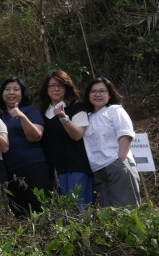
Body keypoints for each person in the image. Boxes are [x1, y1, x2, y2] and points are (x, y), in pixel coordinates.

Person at [37, 70, 94, 208]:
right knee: (62, 217)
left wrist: (63, 117)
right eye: (52, 85)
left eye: (61, 85)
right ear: (46, 89)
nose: (56, 89)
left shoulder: (76, 107)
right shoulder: (42, 113)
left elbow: (77, 135)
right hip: (54, 173)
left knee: (81, 213)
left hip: (75, 169)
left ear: (67, 88)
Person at [82, 77, 141, 207]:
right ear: (88, 95)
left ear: (110, 94)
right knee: (109, 215)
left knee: (128, 210)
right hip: (98, 171)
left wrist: (120, 160)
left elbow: (125, 134)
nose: (97, 94)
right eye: (93, 91)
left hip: (116, 166)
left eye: (102, 91)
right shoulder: (87, 117)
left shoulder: (114, 110)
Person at [0, 77, 51, 215]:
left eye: (16, 89)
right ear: (2, 94)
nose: (11, 92)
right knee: (20, 211)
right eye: (7, 89)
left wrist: (22, 117)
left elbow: (36, 136)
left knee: (41, 208)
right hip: (10, 171)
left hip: (33, 166)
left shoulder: (30, 110)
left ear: (22, 93)